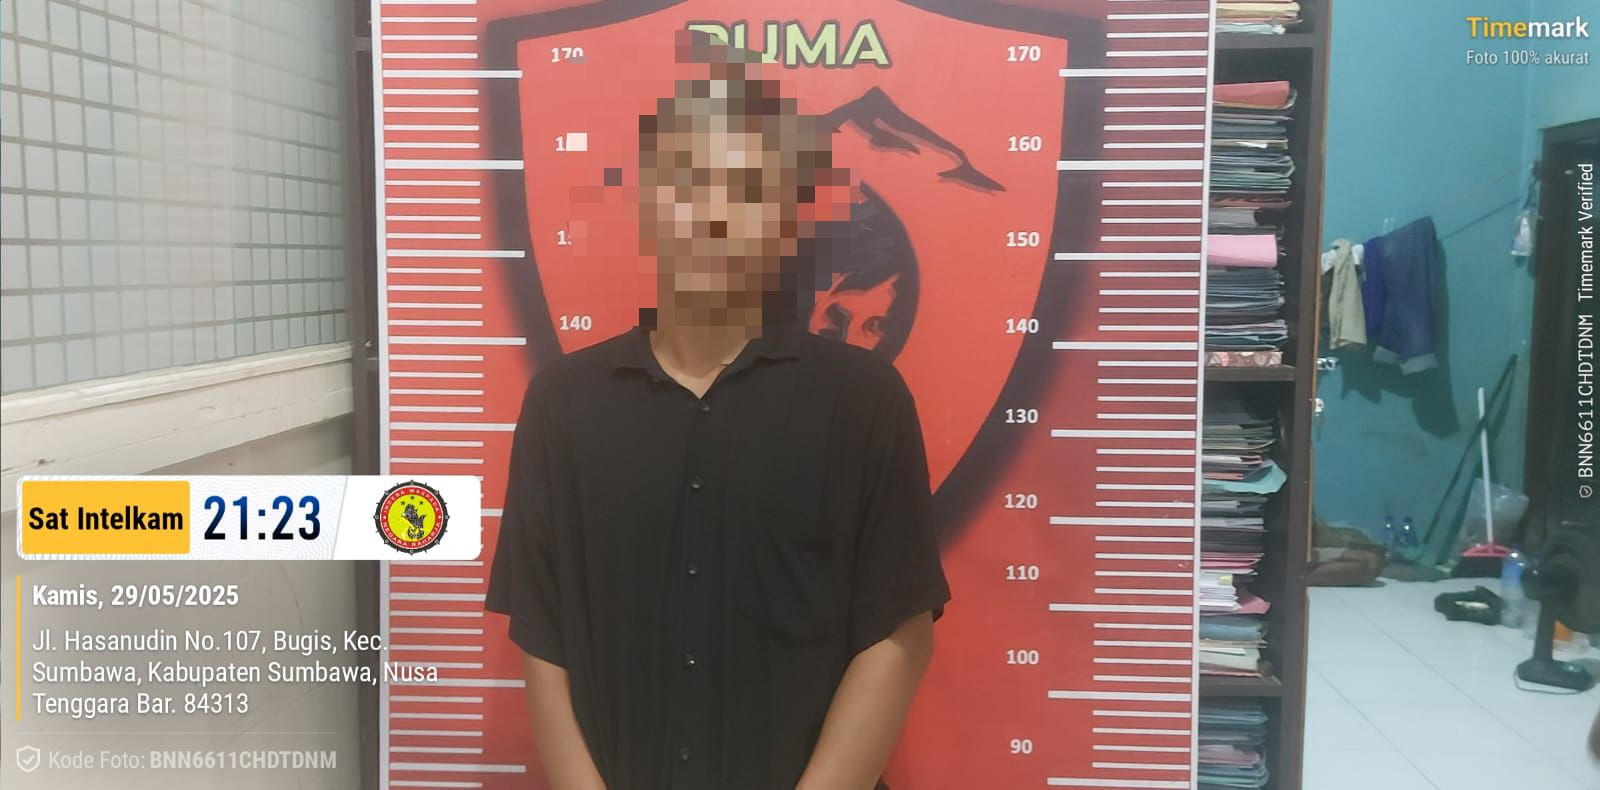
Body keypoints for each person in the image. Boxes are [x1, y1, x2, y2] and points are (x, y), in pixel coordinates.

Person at [486, 38, 950, 790]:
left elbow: (900, 635)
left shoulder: (865, 401)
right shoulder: (563, 402)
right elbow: (544, 637)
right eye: (688, 183)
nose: (713, 214)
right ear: (648, 205)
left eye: (746, 190)